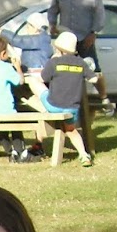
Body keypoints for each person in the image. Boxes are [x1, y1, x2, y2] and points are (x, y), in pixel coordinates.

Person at [47, 0, 114, 116]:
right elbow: (53, 9)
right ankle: (58, 100)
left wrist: (93, 33)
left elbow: (99, 13)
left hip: (85, 37)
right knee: (60, 68)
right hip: (66, 39)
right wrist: (52, 24)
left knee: (94, 70)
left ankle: (105, 100)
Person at [0, 35, 39, 163]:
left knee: (0, 129)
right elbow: (20, 81)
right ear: (3, 53)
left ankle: (10, 151)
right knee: (15, 125)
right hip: (6, 109)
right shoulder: (6, 68)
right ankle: (21, 152)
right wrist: (17, 67)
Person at [41, 33, 95, 167]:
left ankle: (43, 115)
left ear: (58, 49)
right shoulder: (81, 63)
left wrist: (52, 60)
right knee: (70, 130)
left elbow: (43, 78)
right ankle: (84, 155)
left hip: (54, 105)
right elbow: (94, 78)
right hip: (72, 108)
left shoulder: (54, 62)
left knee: (34, 84)